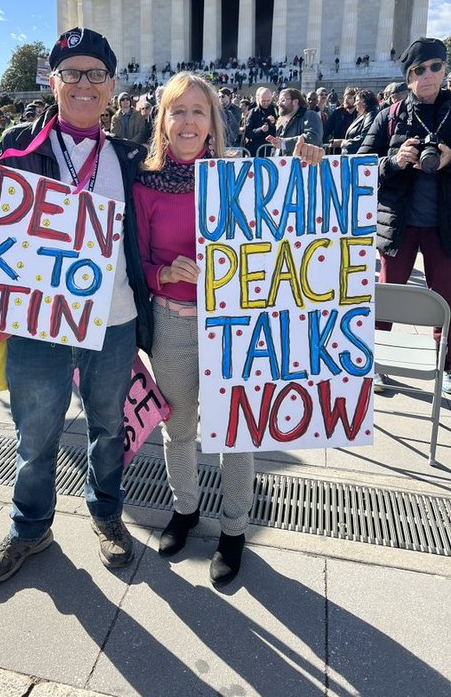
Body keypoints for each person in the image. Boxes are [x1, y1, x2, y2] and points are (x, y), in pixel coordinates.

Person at [0, 27, 153, 583]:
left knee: (108, 427)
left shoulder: (132, 156)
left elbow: (195, 181)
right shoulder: (20, 148)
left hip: (113, 321)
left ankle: (107, 515)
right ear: (54, 82)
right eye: (72, 73)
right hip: (37, 321)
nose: (84, 84)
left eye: (96, 73)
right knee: (36, 432)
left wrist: (301, 168)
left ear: (112, 84)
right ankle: (30, 527)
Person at [133, 72, 323, 586]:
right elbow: (138, 261)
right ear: (163, 121)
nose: (188, 121)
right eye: (178, 111)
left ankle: (234, 529)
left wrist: (311, 169)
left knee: (235, 431)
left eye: (199, 111)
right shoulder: (146, 183)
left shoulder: (240, 176)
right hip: (172, 323)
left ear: (214, 122)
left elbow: (292, 221)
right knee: (178, 428)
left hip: (232, 322)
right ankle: (186, 508)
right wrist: (163, 273)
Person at [358, 37, 451, 393]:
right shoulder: (390, 116)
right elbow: (362, 166)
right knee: (386, 296)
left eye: (434, 67)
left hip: (443, 225)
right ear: (408, 77)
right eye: (418, 70)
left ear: (444, 69)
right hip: (398, 225)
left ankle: (446, 369)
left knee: (447, 298)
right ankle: (372, 361)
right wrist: (395, 163)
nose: (427, 75)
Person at [266, 88, 323, 154]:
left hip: (303, 162)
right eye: (279, 101)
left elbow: (313, 137)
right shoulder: (284, 121)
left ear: (295, 102)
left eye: (283, 100)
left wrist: (285, 143)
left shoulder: (310, 115)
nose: (279, 104)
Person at [340, 89, 379, 155]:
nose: (355, 104)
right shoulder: (364, 115)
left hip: (362, 155)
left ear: (364, 102)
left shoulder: (371, 115)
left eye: (357, 100)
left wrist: (347, 143)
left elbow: (365, 137)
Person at [244, 87, 276, 155]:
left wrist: (274, 123)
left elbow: (281, 131)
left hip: (271, 150)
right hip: (255, 150)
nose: (266, 103)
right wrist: (260, 130)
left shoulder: (276, 111)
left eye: (268, 101)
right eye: (263, 101)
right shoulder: (253, 112)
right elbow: (248, 133)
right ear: (258, 99)